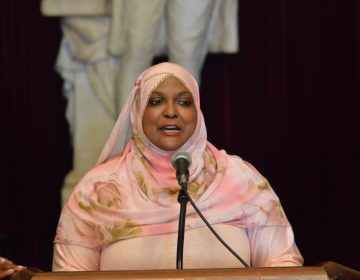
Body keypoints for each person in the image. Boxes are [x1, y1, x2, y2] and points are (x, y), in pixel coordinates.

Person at [52, 62, 303, 270]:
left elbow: (283, 265)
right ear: (137, 112)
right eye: (156, 101)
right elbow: (70, 276)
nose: (171, 112)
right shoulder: (96, 190)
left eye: (184, 102)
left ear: (198, 112)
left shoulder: (241, 180)